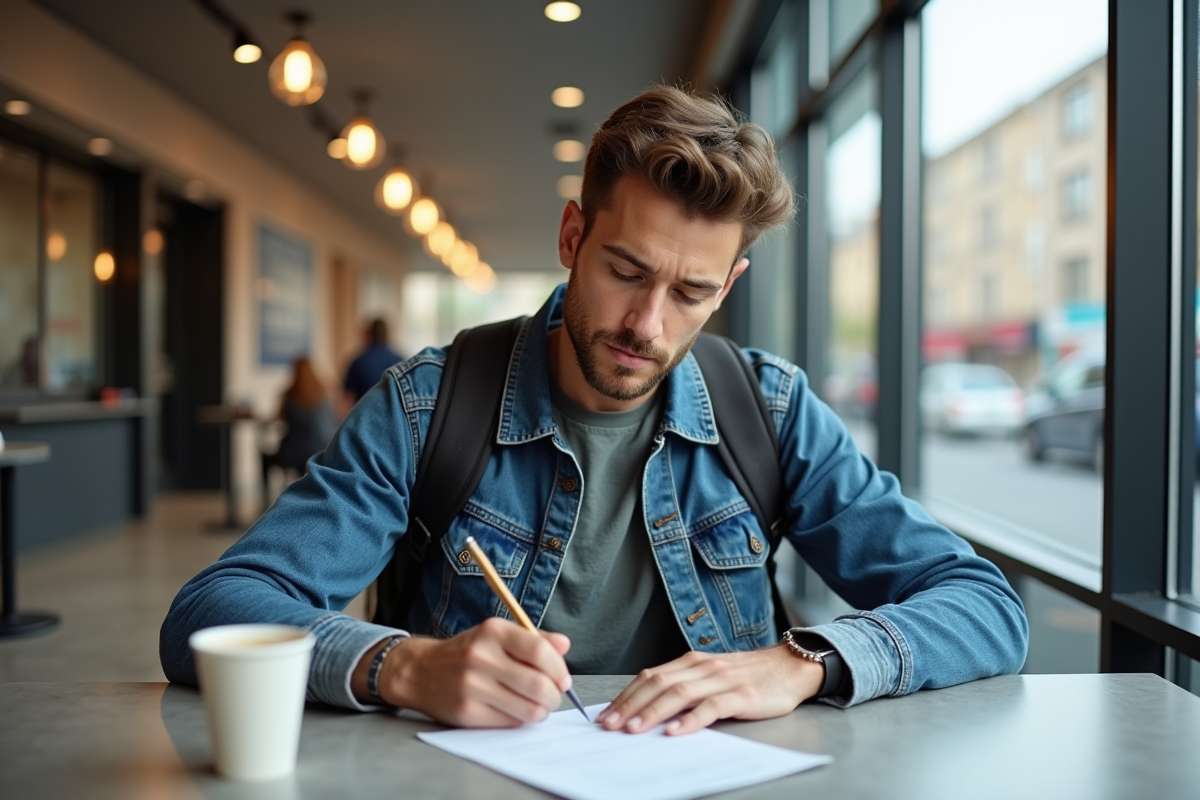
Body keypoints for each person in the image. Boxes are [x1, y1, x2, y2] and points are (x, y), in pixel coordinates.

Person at [162, 85, 1027, 737]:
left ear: (729, 286)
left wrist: (807, 661)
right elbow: (214, 608)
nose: (647, 326)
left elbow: (984, 605)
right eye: (625, 271)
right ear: (573, 238)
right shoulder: (427, 406)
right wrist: (401, 664)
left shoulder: (771, 410)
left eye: (691, 292)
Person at [261, 356, 336, 497]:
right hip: (320, 451)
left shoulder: (289, 394)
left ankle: (265, 499)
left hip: (293, 454)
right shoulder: (323, 393)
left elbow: (279, 420)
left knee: (265, 456)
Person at [342, 318, 403, 414]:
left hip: (364, 420)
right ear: (387, 334)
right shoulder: (401, 362)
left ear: (369, 334)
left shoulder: (358, 362)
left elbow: (346, 401)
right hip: (394, 421)